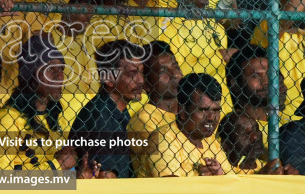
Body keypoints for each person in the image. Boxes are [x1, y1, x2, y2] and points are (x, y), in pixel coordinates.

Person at [0, 35, 68, 171]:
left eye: (61, 69)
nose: (59, 77)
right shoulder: (7, 120)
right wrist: (56, 166)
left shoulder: (57, 117)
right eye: (51, 70)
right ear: (31, 75)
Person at [70, 40, 146, 179]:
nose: (140, 80)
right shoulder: (100, 116)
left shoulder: (117, 110)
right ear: (109, 80)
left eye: (141, 72)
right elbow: (106, 177)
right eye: (131, 74)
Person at [163, 0, 230, 107]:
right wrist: (220, 57)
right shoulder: (170, 27)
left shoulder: (217, 28)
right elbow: (177, 74)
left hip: (224, 109)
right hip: (195, 109)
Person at [146, 72, 234, 177]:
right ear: (183, 111)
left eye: (216, 110)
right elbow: (170, 188)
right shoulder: (162, 139)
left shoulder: (209, 140)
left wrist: (219, 176)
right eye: (203, 110)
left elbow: (233, 182)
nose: (211, 117)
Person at [127, 42, 181, 176]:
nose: (174, 74)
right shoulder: (143, 121)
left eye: (175, 66)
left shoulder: (194, 112)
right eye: (163, 71)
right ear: (147, 84)